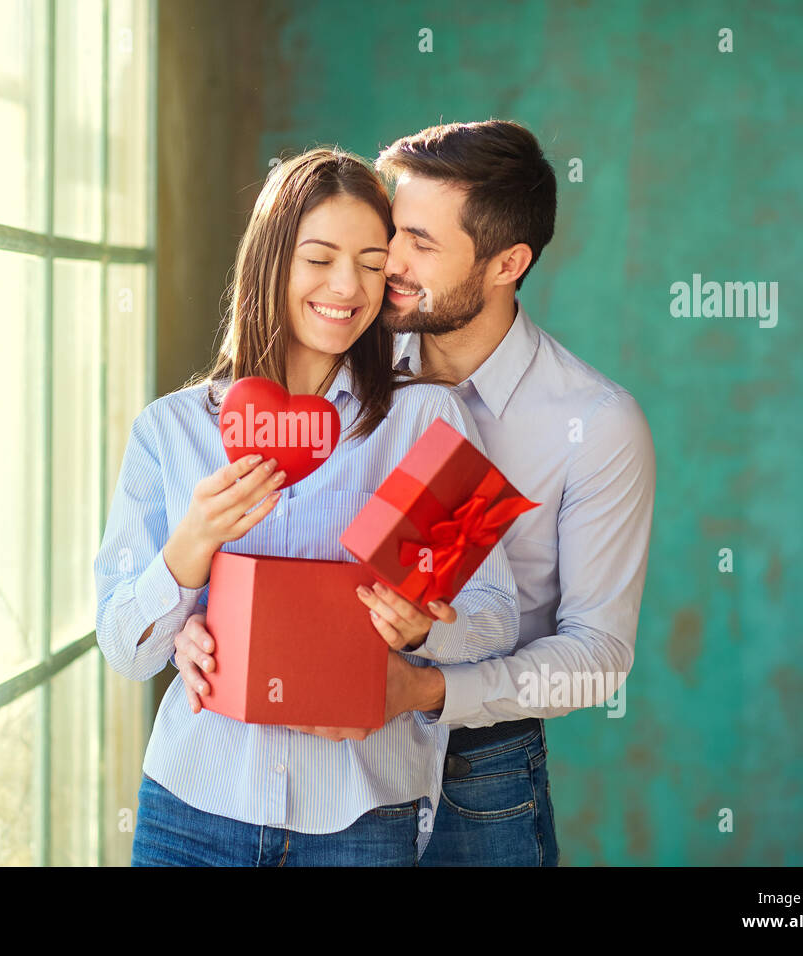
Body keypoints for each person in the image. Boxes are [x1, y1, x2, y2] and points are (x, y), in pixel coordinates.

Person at [173, 120, 657, 866]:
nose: (386, 263)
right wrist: (194, 621)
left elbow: (597, 657)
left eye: (421, 245)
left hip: (481, 773)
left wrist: (424, 690)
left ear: (507, 263)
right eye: (393, 233)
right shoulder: (345, 365)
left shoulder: (595, 424)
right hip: (342, 772)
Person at [93, 148, 522, 867]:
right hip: (192, 811)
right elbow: (124, 649)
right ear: (269, 263)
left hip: (360, 823)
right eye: (318, 258)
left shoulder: (424, 424)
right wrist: (188, 555)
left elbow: (497, 616)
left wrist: (421, 635)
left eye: (372, 260)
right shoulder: (172, 430)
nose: (347, 286)